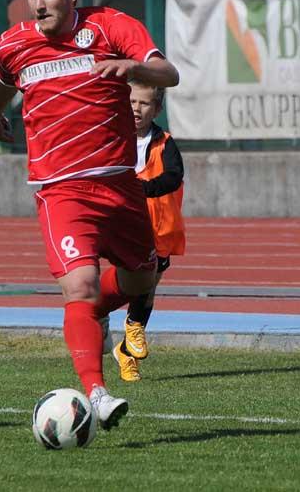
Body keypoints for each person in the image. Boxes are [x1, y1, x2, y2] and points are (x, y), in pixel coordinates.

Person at [0, 0, 179, 430]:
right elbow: (2, 80)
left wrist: (130, 68)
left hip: (119, 185)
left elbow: (168, 73)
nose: (39, 4)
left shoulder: (111, 27)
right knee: (80, 283)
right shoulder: (14, 43)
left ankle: (90, 317)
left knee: (142, 280)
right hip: (60, 189)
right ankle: (95, 391)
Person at [99, 82, 186, 382]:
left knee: (148, 282)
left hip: (157, 226)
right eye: (132, 101)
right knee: (125, 276)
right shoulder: (110, 137)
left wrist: (145, 189)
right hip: (121, 221)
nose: (136, 108)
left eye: (144, 103)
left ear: (157, 109)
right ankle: (102, 314)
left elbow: (174, 176)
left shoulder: (164, 142)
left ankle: (128, 341)